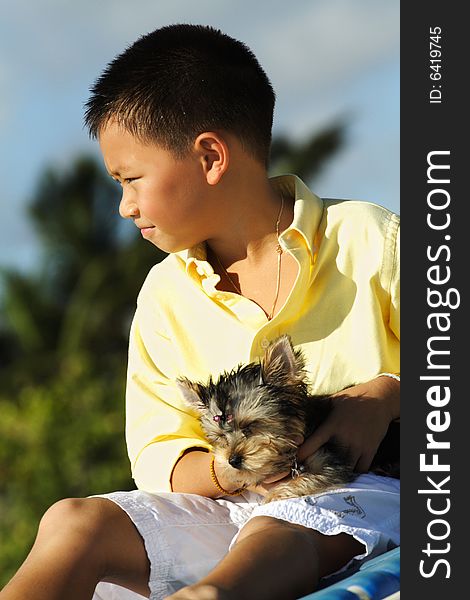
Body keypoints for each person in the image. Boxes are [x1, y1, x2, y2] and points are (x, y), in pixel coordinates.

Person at [0, 24, 400, 600]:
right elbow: (161, 457)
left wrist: (385, 397)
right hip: (228, 506)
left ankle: (213, 594)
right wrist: (236, 471)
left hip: (370, 494)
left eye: (131, 179)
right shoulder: (165, 297)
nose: (123, 206)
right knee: (71, 522)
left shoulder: (370, 239)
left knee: (279, 527)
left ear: (211, 156)